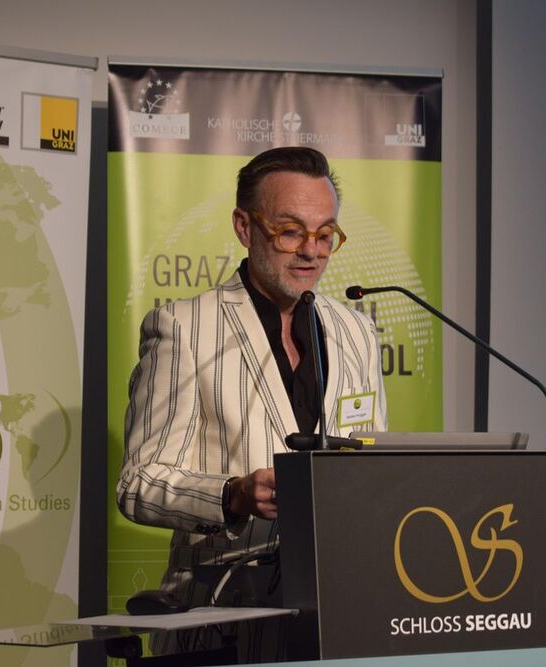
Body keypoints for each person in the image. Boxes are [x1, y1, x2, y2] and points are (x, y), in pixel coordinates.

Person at [117, 146, 387, 659]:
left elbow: (370, 467)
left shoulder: (356, 332)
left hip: (336, 617)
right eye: (290, 231)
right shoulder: (183, 328)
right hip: (220, 622)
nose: (311, 251)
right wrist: (232, 495)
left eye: (325, 234)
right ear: (244, 227)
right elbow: (138, 484)